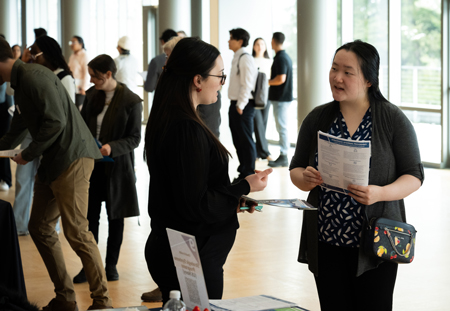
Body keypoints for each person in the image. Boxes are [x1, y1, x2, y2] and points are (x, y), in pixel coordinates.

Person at [289, 40, 424, 311]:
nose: (337, 77)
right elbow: (295, 169)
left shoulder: (391, 119)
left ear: (369, 80)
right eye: (334, 68)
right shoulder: (318, 118)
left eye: (348, 72)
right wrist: (306, 178)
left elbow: (414, 175)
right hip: (327, 238)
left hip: (377, 243)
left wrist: (380, 192)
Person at [144, 37, 272, 304]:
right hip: (190, 255)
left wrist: (231, 200)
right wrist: (244, 186)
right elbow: (196, 204)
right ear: (197, 80)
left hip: (183, 248)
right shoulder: (186, 129)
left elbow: (185, 191)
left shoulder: (173, 118)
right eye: (220, 76)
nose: (222, 83)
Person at [0, 37, 112, 311]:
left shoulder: (33, 77)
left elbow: (56, 122)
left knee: (77, 232)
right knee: (39, 227)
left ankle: (103, 301)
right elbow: (20, 124)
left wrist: (27, 154)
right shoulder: (23, 81)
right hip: (55, 161)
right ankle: (65, 297)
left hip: (72, 158)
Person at [73, 54, 142, 284]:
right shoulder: (92, 95)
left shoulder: (131, 101)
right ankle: (89, 266)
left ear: (109, 74)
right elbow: (81, 127)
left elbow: (134, 138)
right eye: (91, 75)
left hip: (117, 169)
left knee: (116, 219)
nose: (92, 80)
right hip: (91, 167)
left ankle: (111, 265)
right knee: (89, 219)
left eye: (96, 76)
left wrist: (112, 147)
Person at [13, 35, 75, 236]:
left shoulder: (64, 77)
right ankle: (18, 225)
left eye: (35, 52)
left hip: (52, 139)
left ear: (46, 54)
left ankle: (50, 224)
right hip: (31, 134)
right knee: (23, 180)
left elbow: (66, 114)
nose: (31, 55)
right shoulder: (32, 74)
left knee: (47, 181)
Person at [228, 28, 258, 182]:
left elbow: (247, 84)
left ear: (239, 41)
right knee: (238, 138)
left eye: (231, 38)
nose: (228, 41)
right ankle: (243, 170)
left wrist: (240, 105)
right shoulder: (237, 56)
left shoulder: (245, 58)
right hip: (236, 104)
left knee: (245, 139)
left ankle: (248, 172)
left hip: (243, 105)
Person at [268, 32, 293, 168]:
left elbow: (280, 78)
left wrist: (267, 82)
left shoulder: (281, 58)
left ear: (273, 41)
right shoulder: (284, 57)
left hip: (281, 98)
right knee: (281, 127)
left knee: (282, 127)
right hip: (282, 98)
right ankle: (283, 155)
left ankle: (284, 156)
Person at [252, 37, 272, 161]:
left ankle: (257, 153)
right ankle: (265, 153)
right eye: (257, 44)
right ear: (254, 46)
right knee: (258, 124)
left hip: (267, 95)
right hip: (254, 96)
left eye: (262, 44)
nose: (260, 46)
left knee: (262, 125)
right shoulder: (251, 60)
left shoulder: (270, 61)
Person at [144, 29, 178, 93]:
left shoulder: (156, 61)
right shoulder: (187, 62)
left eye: (167, 56)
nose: (166, 62)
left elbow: (149, 87)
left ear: (162, 42)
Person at [68, 35, 89, 109]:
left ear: (81, 44)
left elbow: (86, 73)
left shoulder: (84, 55)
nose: (72, 44)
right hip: (73, 85)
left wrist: (84, 88)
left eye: (74, 42)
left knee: (79, 108)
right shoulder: (72, 55)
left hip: (80, 88)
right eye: (71, 42)